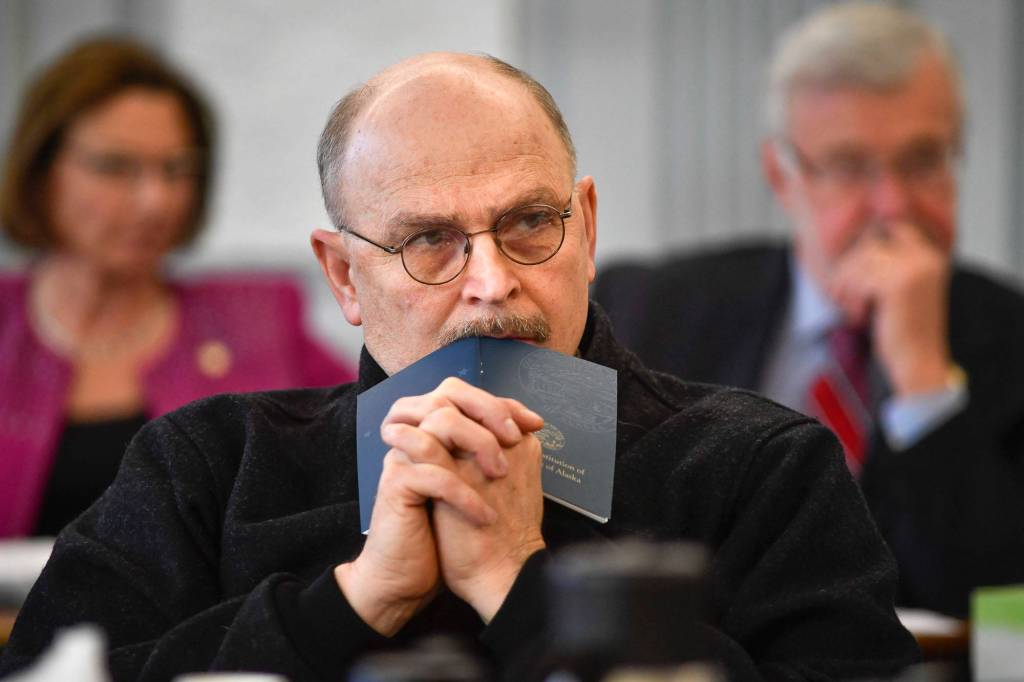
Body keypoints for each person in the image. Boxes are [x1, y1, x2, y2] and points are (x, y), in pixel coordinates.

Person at [0, 52, 918, 681]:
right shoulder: (207, 466)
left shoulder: (761, 468)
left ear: (587, 228)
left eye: (529, 223)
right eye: (427, 242)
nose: (490, 283)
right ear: (344, 276)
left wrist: (524, 584)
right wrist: (353, 602)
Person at [593, 1, 1024, 619]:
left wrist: (925, 385)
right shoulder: (650, 310)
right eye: (849, 166)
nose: (892, 206)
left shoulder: (1012, 338)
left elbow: (1001, 610)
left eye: (923, 160)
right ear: (781, 174)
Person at [0, 37, 356, 538]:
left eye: (177, 169)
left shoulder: (257, 322)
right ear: (40, 172)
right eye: (116, 167)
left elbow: (369, 441)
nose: (156, 200)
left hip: (211, 616)